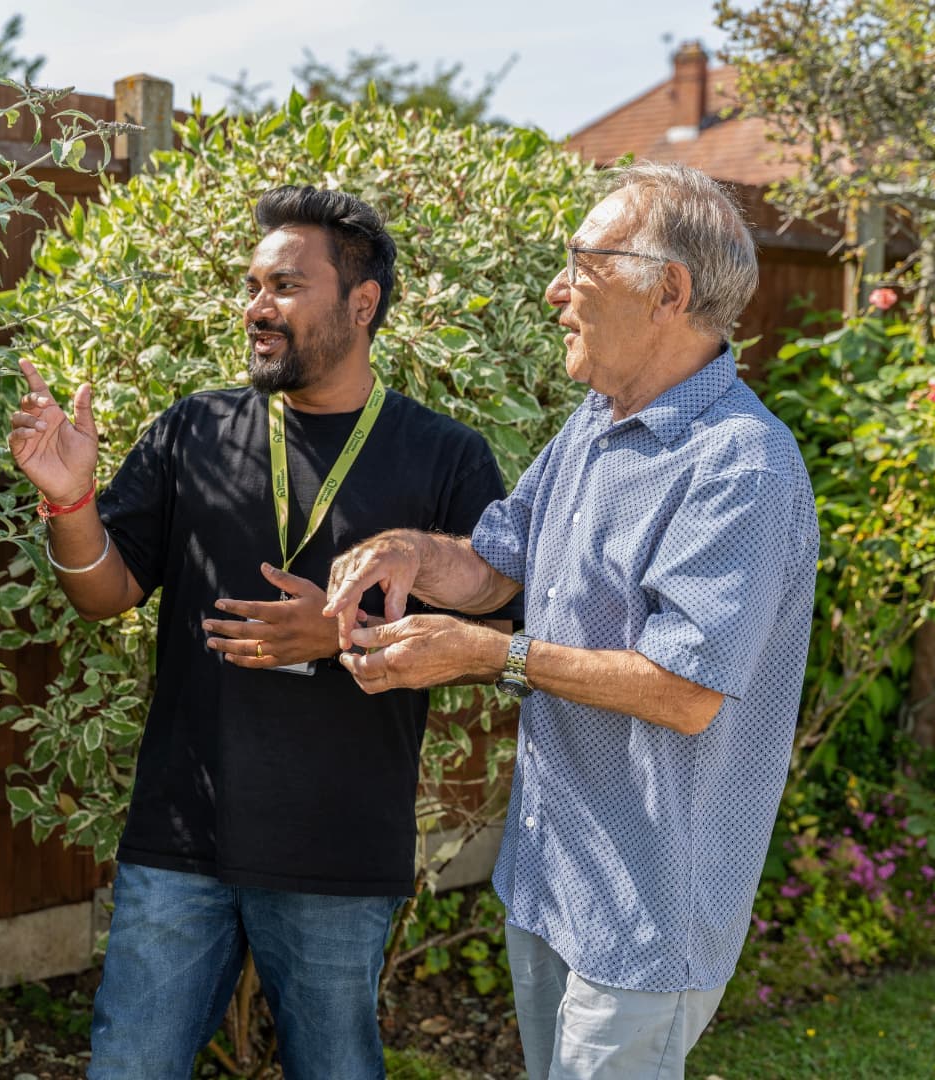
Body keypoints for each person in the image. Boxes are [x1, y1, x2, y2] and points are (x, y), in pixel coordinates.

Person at [7, 184, 516, 1080]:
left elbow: (494, 629)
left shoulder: (445, 455)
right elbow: (106, 591)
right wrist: (69, 499)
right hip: (180, 837)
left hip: (337, 848)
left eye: (285, 286)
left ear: (362, 304)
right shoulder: (193, 429)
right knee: (128, 1065)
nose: (255, 308)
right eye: (252, 285)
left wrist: (339, 636)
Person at [324, 162, 820, 1079]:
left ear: (667, 289)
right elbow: (497, 561)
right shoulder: (595, 421)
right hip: (553, 879)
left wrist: (486, 656)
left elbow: (684, 692)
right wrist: (412, 555)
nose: (555, 291)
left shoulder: (739, 469)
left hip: (648, 909)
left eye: (582, 263)